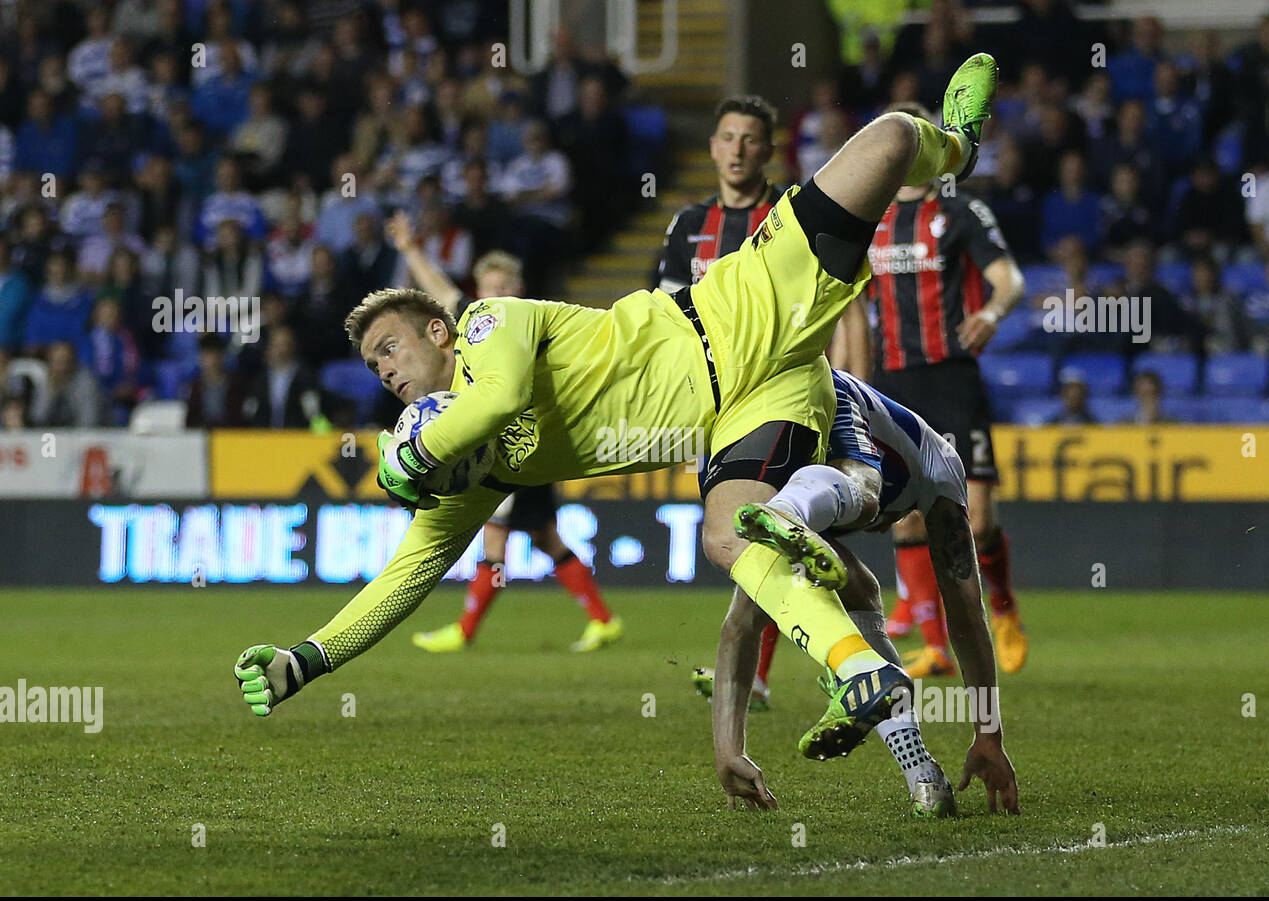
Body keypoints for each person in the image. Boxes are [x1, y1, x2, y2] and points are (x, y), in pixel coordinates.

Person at [232, 55, 1016, 814]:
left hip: (741, 303)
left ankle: (961, 145)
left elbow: (499, 397)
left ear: (437, 329)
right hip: (749, 407)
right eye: (373, 370)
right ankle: (859, 670)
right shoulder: (473, 466)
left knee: (889, 138)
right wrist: (308, 658)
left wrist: (417, 451)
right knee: (729, 540)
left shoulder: (489, 326)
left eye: (389, 350)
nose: (385, 372)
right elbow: (403, 577)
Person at [709, 368, 1018, 815]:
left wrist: (727, 751)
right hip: (823, 389)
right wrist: (988, 734)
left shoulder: (803, 466)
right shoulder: (939, 467)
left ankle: (923, 777)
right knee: (866, 493)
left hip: (763, 419)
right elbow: (967, 613)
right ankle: (785, 513)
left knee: (858, 591)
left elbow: (740, 627)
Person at [654, 93, 870, 708]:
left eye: (750, 139)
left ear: (769, 150)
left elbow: (843, 304)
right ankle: (823, 657)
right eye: (727, 137)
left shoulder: (793, 214)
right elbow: (667, 316)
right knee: (762, 534)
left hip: (788, 393)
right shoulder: (688, 225)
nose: (738, 149)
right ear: (714, 146)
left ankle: (780, 669)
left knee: (767, 527)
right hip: (717, 402)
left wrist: (852, 385)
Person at [384, 210, 623, 654]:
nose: (494, 296)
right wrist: (410, 249)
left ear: (518, 289)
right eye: (488, 289)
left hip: (520, 445)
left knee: (498, 539)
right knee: (544, 537)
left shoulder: (527, 326)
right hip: (514, 446)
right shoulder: (473, 320)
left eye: (502, 289)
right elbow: (439, 290)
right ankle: (601, 619)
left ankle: (466, 630)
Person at [867, 102, 1028, 679]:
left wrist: (991, 312)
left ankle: (1004, 608)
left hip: (953, 378)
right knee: (906, 518)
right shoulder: (870, 219)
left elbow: (1008, 279)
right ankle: (936, 646)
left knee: (977, 520)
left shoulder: (961, 210)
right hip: (893, 385)